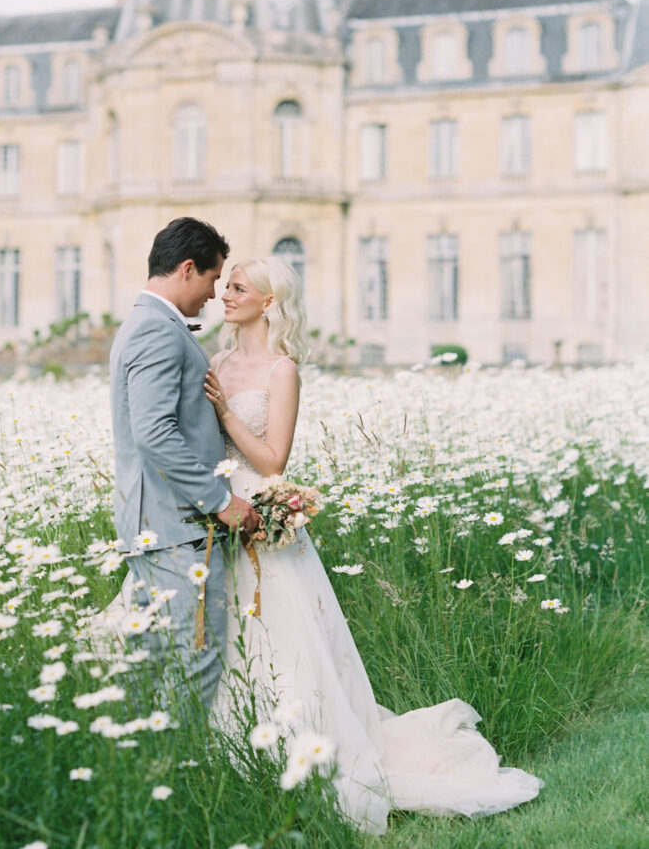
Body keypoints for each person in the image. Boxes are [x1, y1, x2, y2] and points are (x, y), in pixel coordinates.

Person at [203, 255, 543, 836]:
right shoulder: (216, 361)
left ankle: (306, 763)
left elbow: (274, 460)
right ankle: (233, 764)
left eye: (238, 287)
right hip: (221, 518)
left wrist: (226, 412)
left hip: (263, 515)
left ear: (268, 303)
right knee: (232, 639)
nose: (225, 294)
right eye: (226, 284)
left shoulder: (282, 371)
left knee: (288, 646)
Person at [109, 217, 259, 712]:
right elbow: (153, 432)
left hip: (155, 523)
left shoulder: (146, 323)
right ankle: (182, 771)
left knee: (149, 660)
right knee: (197, 658)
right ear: (188, 267)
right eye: (213, 279)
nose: (214, 295)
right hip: (174, 528)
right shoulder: (157, 329)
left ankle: (136, 767)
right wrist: (220, 500)